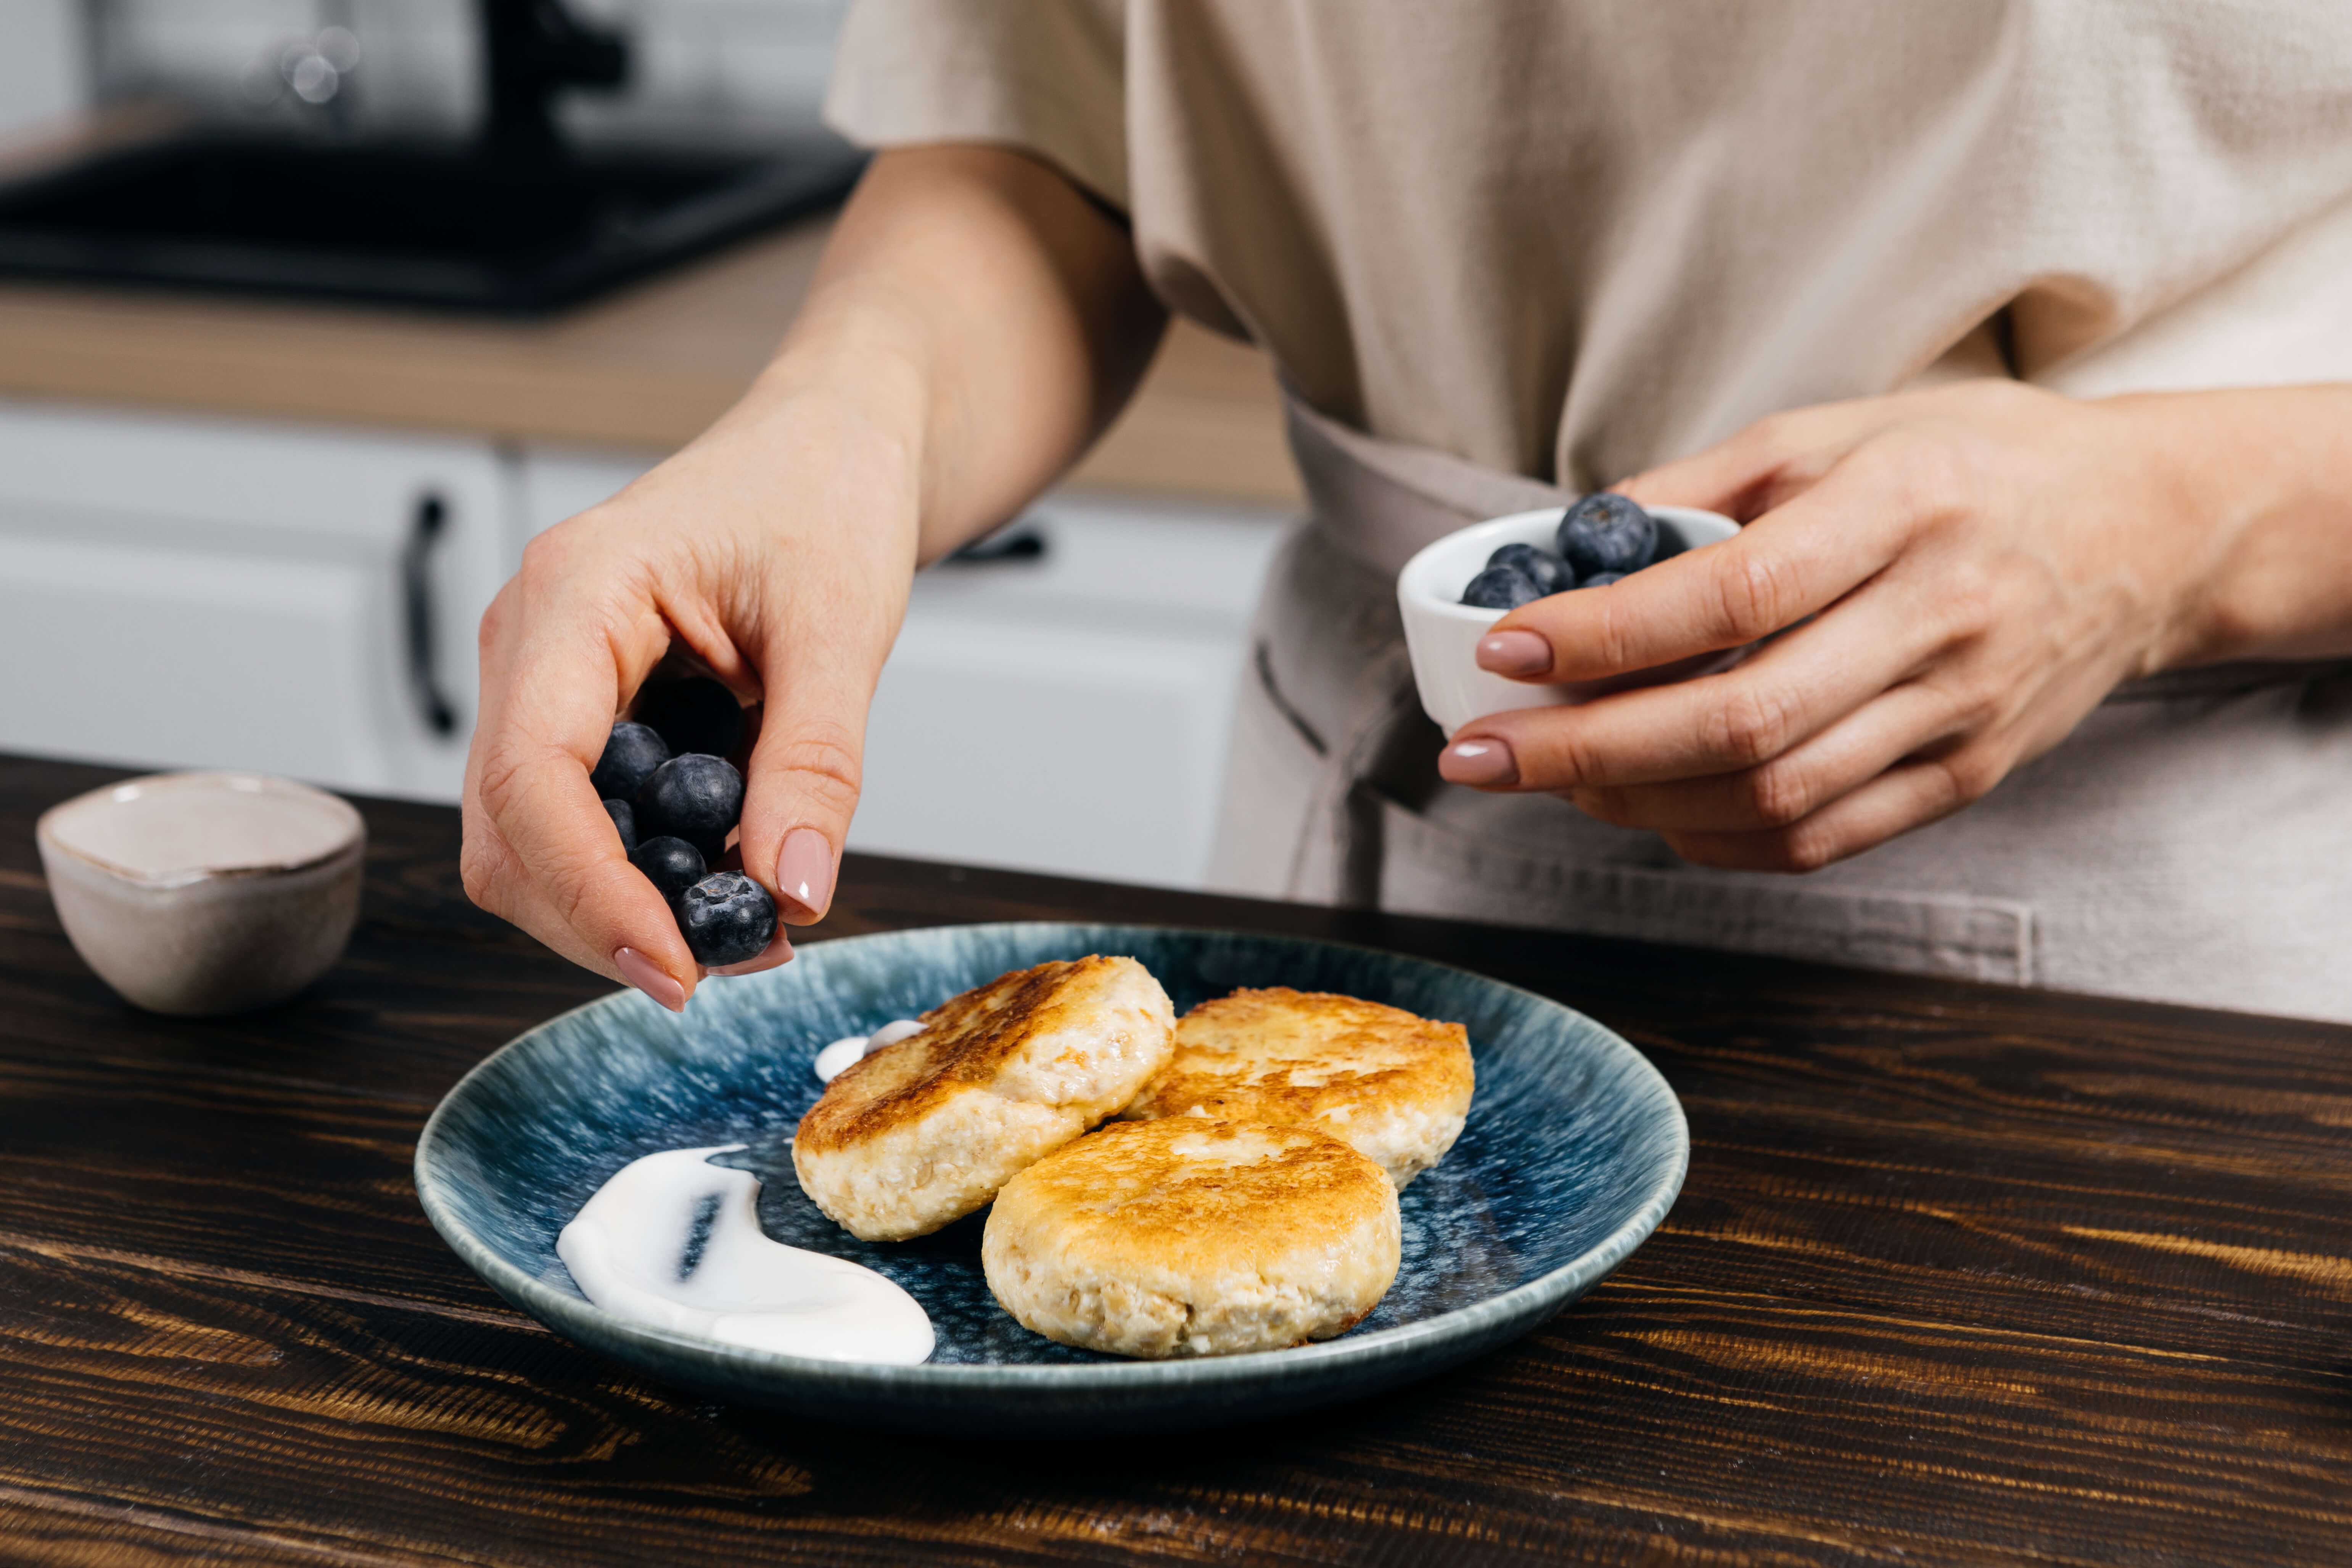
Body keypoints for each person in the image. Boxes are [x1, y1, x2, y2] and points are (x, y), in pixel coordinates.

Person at [462, 2, 2352, 1022]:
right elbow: (1052, 128)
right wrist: (833, 431)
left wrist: (2178, 526)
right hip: (1363, 888)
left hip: (2146, 989)